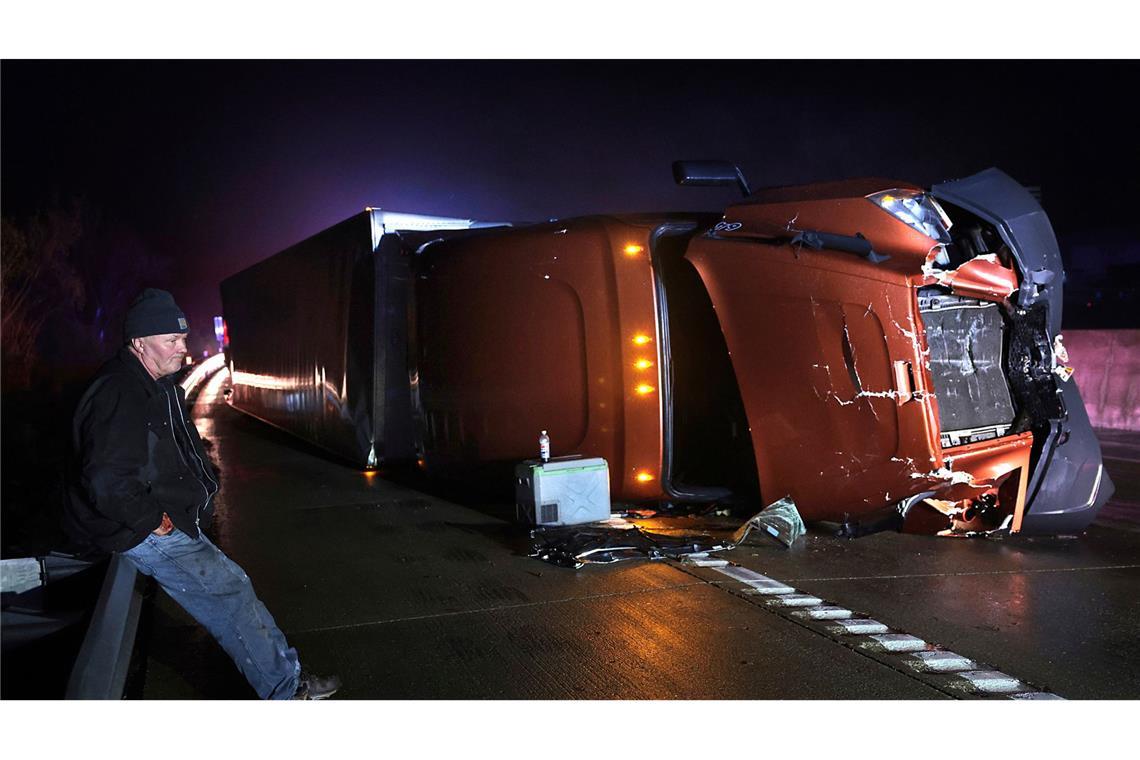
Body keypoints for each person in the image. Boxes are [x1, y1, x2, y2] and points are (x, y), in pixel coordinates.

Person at [63, 288, 340, 700]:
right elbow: (106, 479)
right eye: (171, 340)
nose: (182, 347)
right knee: (229, 591)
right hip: (136, 525)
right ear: (140, 342)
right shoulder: (119, 392)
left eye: (183, 338)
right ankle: (287, 690)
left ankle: (286, 681)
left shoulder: (158, 384)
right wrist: (152, 521)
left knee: (232, 587)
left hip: (157, 512)